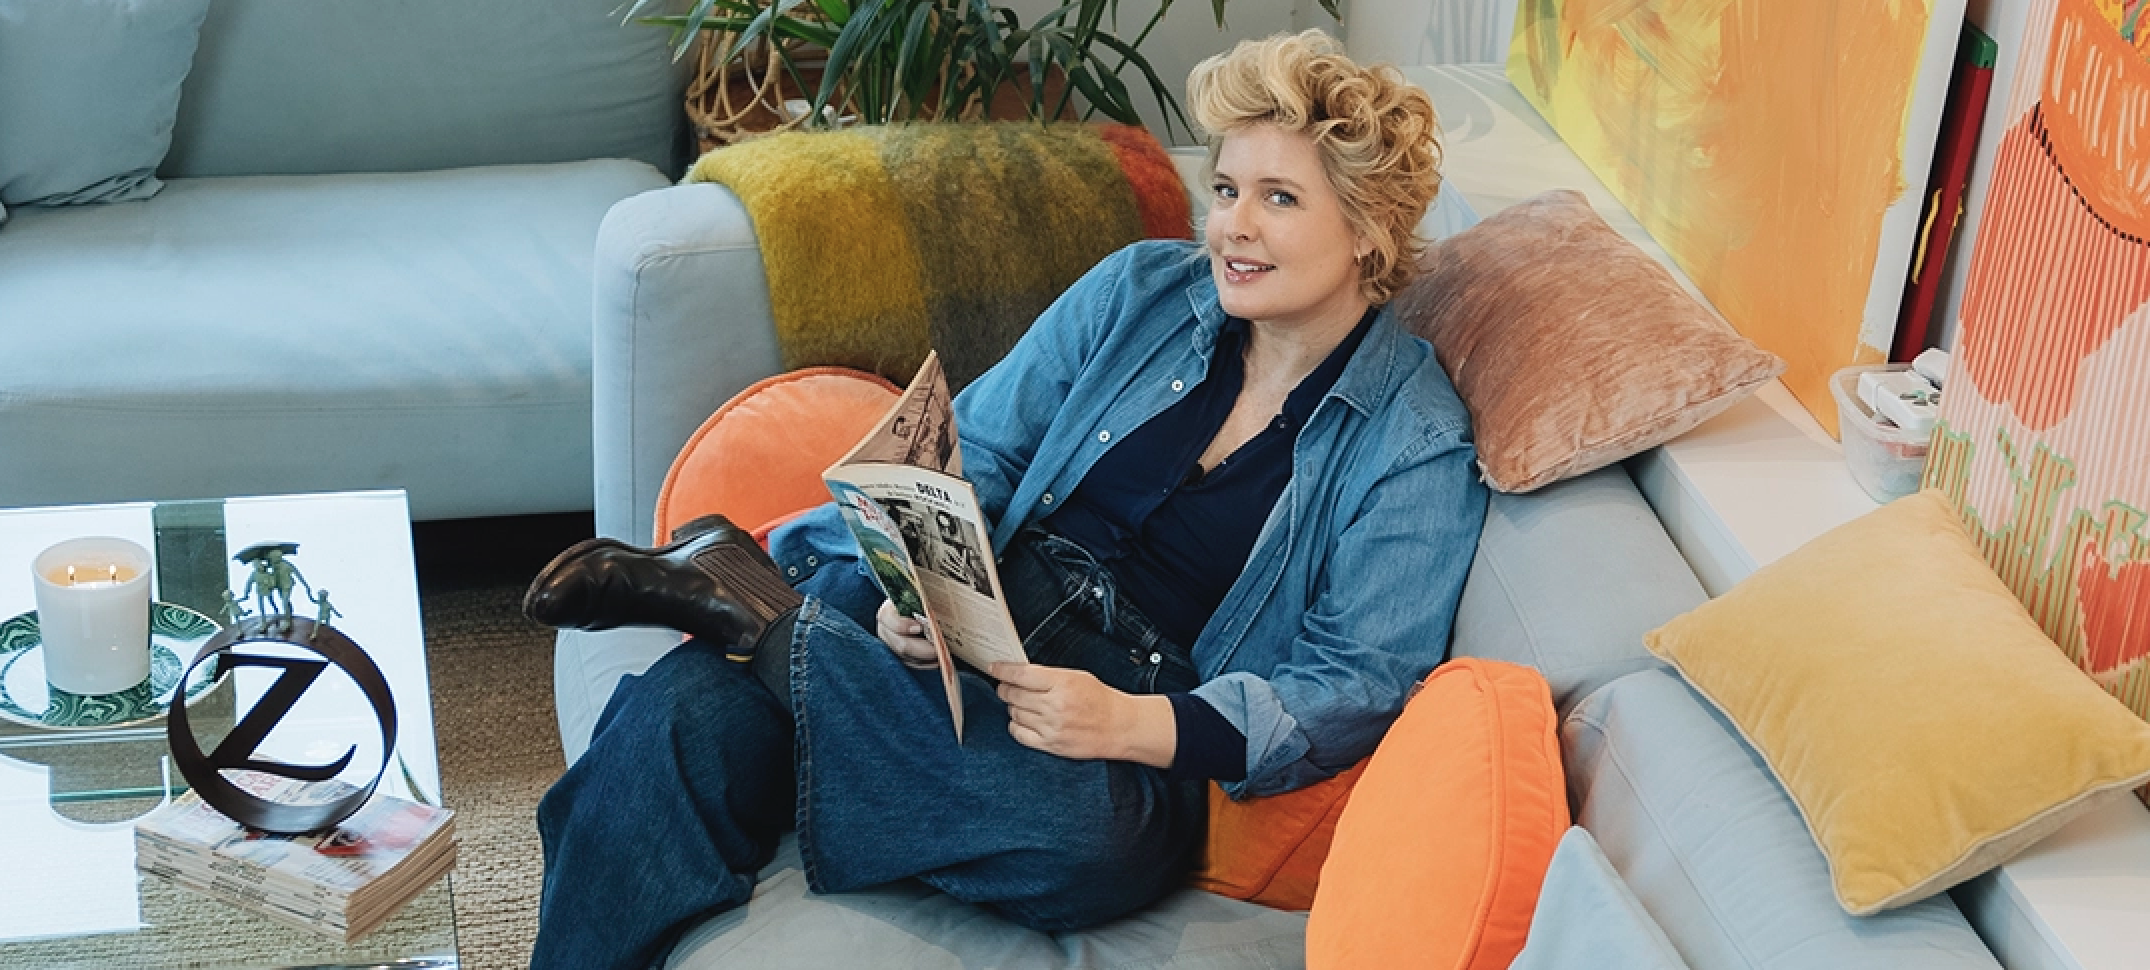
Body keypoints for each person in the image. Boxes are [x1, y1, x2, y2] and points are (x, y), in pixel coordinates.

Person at [520, 29, 1486, 970]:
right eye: (1228, 189)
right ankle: (808, 648)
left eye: (1280, 198)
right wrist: (914, 595)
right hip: (976, 601)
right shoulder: (1140, 290)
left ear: (1368, 229)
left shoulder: (1414, 442)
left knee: (1092, 846)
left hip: (1122, 704)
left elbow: (1356, 680)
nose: (1233, 225)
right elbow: (979, 450)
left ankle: (769, 623)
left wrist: (1126, 724)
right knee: (679, 716)